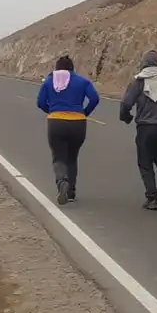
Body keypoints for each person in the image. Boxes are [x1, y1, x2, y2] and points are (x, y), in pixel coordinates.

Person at [119, 50, 157, 211]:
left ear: (143, 64)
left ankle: (152, 199)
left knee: (145, 163)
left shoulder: (139, 80)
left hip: (146, 127)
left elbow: (126, 103)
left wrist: (125, 117)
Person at [37, 55, 100, 205]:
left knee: (59, 156)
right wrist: (85, 112)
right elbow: (95, 98)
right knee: (72, 157)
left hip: (56, 122)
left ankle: (61, 182)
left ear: (56, 69)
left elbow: (40, 102)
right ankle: (71, 192)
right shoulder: (82, 81)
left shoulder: (49, 81)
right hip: (78, 123)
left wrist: (52, 110)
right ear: (72, 69)